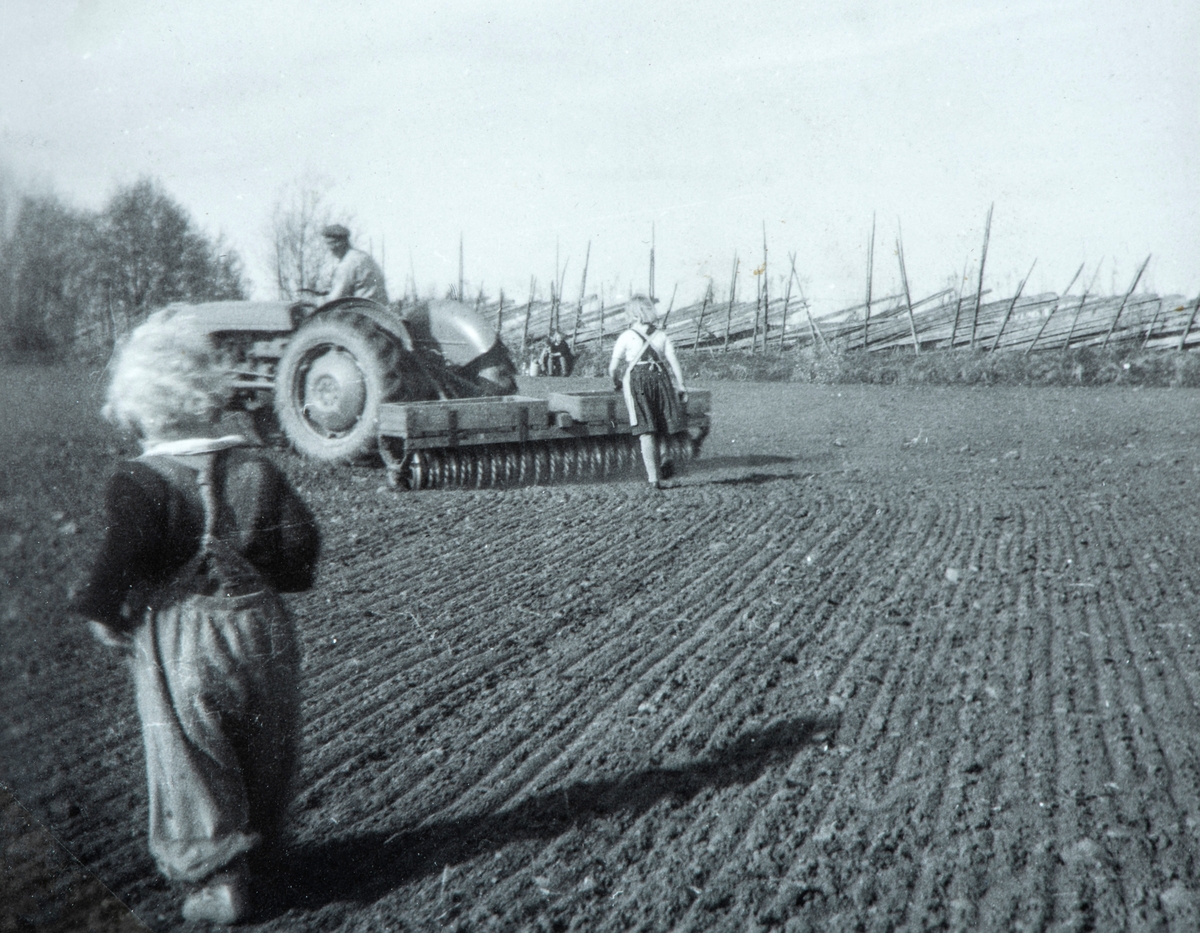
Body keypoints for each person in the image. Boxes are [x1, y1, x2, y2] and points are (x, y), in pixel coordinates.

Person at [70, 311, 320, 925]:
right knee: (266, 744)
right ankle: (266, 853)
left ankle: (216, 873)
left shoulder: (141, 481)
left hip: (184, 641)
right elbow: (300, 553)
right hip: (261, 632)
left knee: (189, 752)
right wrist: (266, 579)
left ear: (137, 409)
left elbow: (118, 562)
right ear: (208, 394)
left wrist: (104, 612)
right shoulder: (256, 468)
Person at [608, 294, 688, 488]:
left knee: (646, 429)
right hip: (661, 379)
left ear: (634, 315)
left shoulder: (626, 336)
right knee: (663, 424)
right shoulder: (661, 336)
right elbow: (673, 362)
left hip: (638, 381)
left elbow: (613, 368)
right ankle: (664, 455)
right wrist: (682, 385)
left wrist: (616, 382)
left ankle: (654, 478)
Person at [320, 223, 388, 303]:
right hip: (380, 311)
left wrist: (312, 301)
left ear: (339, 243)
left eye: (330, 244)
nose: (329, 249)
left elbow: (334, 300)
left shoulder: (348, 263)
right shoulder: (364, 257)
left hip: (361, 312)